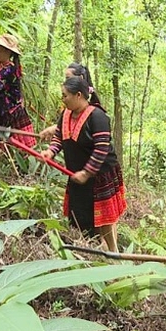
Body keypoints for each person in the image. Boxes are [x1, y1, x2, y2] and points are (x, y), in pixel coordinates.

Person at [39, 76, 126, 252]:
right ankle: (97, 245)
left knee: (104, 216)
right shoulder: (66, 114)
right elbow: (59, 136)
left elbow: (101, 149)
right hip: (77, 173)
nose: (62, 99)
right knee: (83, 213)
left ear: (78, 95)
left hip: (99, 174)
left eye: (65, 96)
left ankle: (113, 251)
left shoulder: (98, 116)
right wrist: (51, 151)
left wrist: (86, 173)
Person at [39, 63, 103, 140]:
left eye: (68, 78)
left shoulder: (95, 113)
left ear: (80, 78)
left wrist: (56, 128)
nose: (66, 82)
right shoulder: (69, 109)